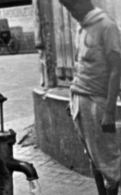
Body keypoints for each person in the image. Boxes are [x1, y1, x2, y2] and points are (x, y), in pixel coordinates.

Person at [59, 0, 121, 195]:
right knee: (93, 159)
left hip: (97, 103)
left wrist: (109, 112)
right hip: (79, 100)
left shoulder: (106, 26)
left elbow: (116, 69)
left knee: (109, 163)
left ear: (84, 3)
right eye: (68, 9)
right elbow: (80, 67)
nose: (71, 13)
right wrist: (73, 100)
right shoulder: (82, 27)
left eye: (73, 8)